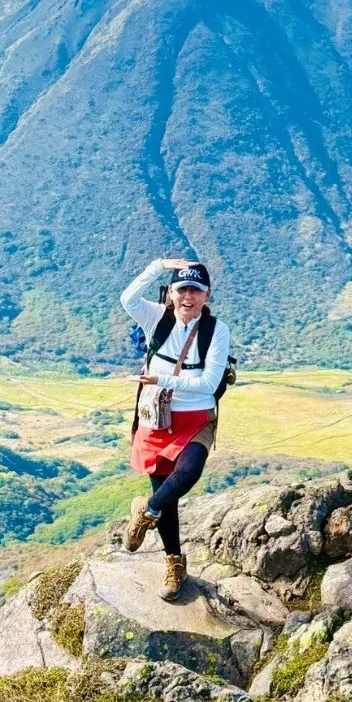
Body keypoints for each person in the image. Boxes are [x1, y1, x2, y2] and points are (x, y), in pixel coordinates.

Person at [120, 255, 230, 600]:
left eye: (195, 291)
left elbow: (210, 383)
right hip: (158, 420)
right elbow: (128, 298)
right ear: (171, 292)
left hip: (197, 418)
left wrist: (161, 378)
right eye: (182, 289)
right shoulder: (157, 319)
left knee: (188, 473)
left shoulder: (215, 331)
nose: (188, 297)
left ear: (207, 295)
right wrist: (159, 265)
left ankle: (145, 511)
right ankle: (174, 564)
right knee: (170, 501)